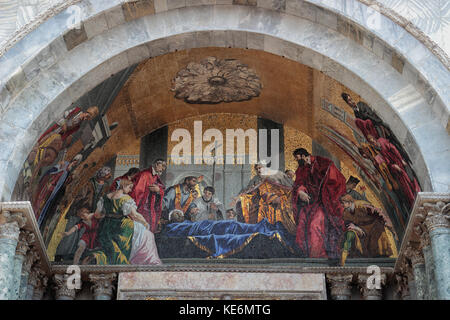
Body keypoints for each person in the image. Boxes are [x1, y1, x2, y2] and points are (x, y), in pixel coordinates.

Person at [86, 179, 162, 265]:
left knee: (111, 250)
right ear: (123, 186)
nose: (130, 190)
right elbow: (134, 215)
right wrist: (144, 222)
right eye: (129, 188)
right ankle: (146, 260)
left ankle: (98, 258)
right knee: (147, 235)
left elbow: (97, 215)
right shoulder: (125, 198)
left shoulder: (104, 197)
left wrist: (108, 215)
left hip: (106, 226)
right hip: (122, 226)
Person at [292, 148, 347, 259]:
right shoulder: (301, 169)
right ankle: (306, 256)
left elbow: (337, 181)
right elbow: (298, 184)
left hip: (324, 202)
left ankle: (317, 257)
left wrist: (324, 193)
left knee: (314, 225)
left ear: (303, 156)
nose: (297, 161)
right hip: (309, 203)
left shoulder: (324, 164)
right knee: (301, 226)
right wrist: (301, 192)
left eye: (297, 158)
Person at [340, 194, 398, 265]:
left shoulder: (362, 205)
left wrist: (390, 227)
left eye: (343, 203)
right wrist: (356, 228)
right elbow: (348, 224)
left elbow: (378, 213)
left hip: (375, 227)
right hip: (362, 228)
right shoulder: (346, 213)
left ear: (349, 202)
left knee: (378, 248)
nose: (342, 205)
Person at [129, 159, 166, 233]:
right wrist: (134, 209)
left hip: (150, 207)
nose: (163, 169)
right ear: (156, 165)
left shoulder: (155, 175)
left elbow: (161, 188)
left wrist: (158, 190)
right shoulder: (144, 174)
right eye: (163, 166)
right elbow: (137, 192)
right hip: (142, 208)